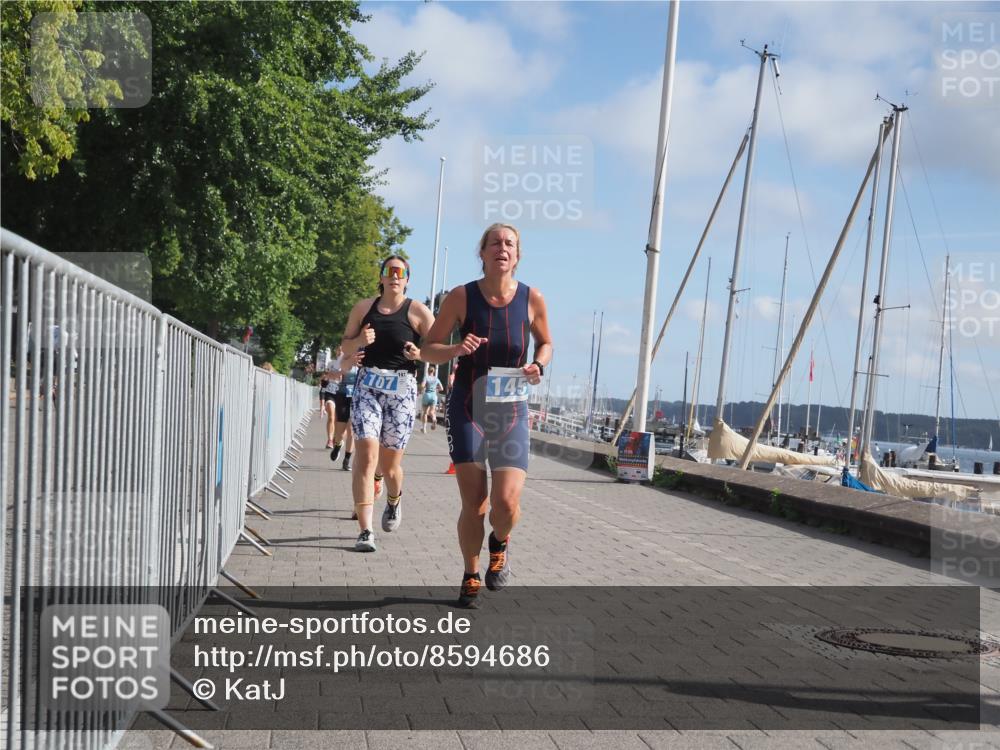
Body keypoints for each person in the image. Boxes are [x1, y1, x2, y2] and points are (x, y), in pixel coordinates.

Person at [422, 223, 552, 608]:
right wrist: (457, 348)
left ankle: (500, 542)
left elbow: (545, 342)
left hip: (510, 409)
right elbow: (428, 349)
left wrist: (538, 365)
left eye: (509, 243)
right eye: (494, 242)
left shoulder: (532, 299)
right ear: (482, 253)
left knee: (506, 505)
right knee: (475, 503)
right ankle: (470, 571)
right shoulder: (461, 297)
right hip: (468, 407)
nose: (502, 248)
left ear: (517, 254)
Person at [340, 255, 434, 552]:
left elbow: (436, 350)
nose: (394, 276)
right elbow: (345, 345)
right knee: (366, 455)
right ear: (380, 276)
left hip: (402, 390)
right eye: (388, 271)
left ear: (407, 278)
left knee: (390, 466)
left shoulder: (418, 312)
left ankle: (394, 500)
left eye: (400, 272)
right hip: (368, 385)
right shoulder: (363, 308)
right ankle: (365, 531)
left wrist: (419, 354)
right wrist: (359, 343)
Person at [329, 347, 360, 470]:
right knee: (340, 432)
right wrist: (344, 369)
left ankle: (346, 460)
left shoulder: (365, 359)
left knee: (351, 429)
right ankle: (338, 444)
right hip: (343, 394)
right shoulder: (344, 358)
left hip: (357, 397)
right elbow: (332, 374)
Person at [319, 363, 341, 449]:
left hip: (340, 395)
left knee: (337, 420)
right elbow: (323, 388)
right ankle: (330, 440)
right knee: (331, 417)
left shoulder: (347, 366)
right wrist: (322, 406)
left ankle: (337, 438)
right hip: (330, 395)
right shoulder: (331, 366)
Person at [419, 365, 444, 433]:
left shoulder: (426, 377)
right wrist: (436, 388)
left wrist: (422, 387)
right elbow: (442, 388)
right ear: (434, 371)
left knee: (425, 413)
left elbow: (422, 386)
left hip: (427, 395)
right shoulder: (436, 379)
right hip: (434, 396)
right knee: (432, 412)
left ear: (428, 371)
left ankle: (424, 428)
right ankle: (434, 419)